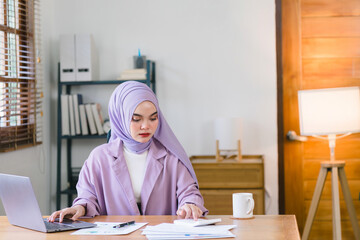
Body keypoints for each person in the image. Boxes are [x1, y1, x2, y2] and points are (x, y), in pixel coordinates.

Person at [49, 81, 208, 223]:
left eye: (153, 118)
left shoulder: (171, 157)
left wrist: (190, 204)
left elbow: (189, 192)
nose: (146, 126)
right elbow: (87, 197)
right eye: (136, 119)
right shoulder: (99, 157)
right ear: (120, 118)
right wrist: (79, 208)